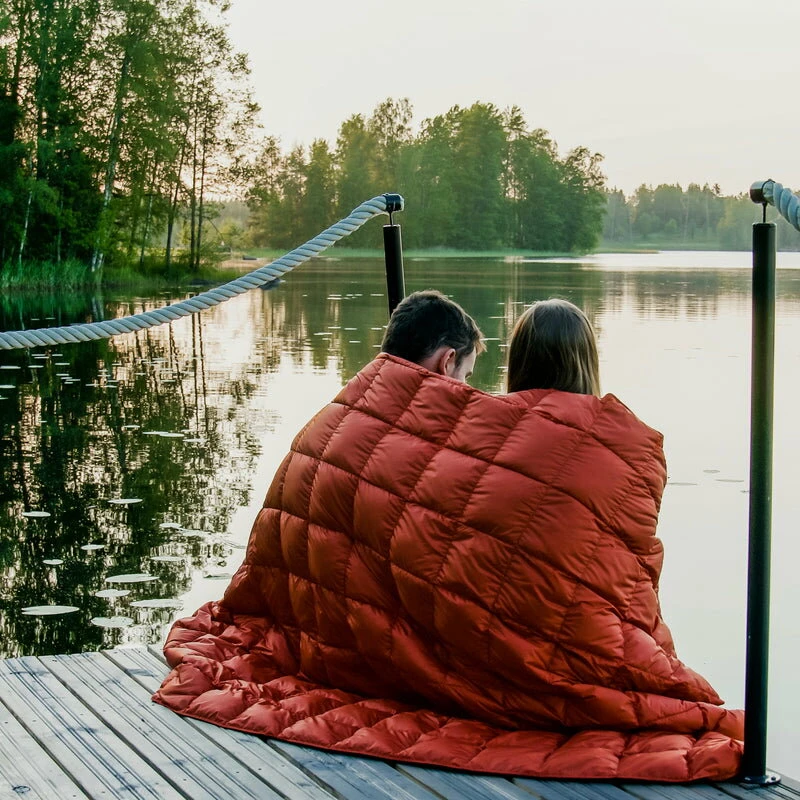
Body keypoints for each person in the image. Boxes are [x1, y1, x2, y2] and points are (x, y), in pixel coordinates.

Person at [155, 294, 743, 783]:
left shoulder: (409, 424)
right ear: (444, 361)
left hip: (347, 643)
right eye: (462, 373)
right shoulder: (616, 448)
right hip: (537, 655)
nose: (464, 389)